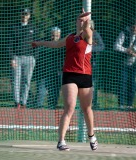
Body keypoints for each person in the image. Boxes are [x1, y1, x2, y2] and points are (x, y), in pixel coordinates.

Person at [31, 9, 98, 151]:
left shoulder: (88, 36)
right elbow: (55, 44)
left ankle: (91, 136)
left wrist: (85, 19)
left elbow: (86, 28)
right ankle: (61, 141)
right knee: (69, 107)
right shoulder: (69, 37)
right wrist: (40, 42)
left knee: (86, 109)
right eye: (79, 19)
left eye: (83, 20)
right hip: (69, 75)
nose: (80, 21)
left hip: (85, 76)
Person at [114, 17, 136, 109]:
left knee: (132, 83)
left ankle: (130, 105)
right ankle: (120, 104)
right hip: (124, 63)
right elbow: (116, 46)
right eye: (133, 27)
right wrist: (127, 50)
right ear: (130, 27)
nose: (135, 29)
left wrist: (135, 50)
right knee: (122, 83)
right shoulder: (124, 33)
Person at [9, 8, 36, 109]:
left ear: (29, 16)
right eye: (23, 14)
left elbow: (36, 43)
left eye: (26, 14)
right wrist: (12, 58)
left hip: (29, 58)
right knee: (16, 80)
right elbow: (10, 44)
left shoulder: (33, 28)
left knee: (26, 81)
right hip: (17, 58)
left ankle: (24, 102)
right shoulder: (14, 27)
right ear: (20, 15)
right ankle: (17, 102)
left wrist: (34, 58)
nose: (24, 16)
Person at [36, 27, 64, 108]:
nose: (54, 37)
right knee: (41, 90)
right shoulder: (44, 43)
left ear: (59, 36)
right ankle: (39, 106)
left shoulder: (62, 45)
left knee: (54, 90)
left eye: (56, 35)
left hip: (57, 71)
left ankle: (52, 105)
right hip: (44, 71)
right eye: (52, 35)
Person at [90, 20, 105, 109]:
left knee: (93, 83)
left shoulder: (96, 35)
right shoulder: (80, 35)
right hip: (82, 64)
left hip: (93, 63)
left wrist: (90, 48)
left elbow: (101, 46)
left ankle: (93, 102)